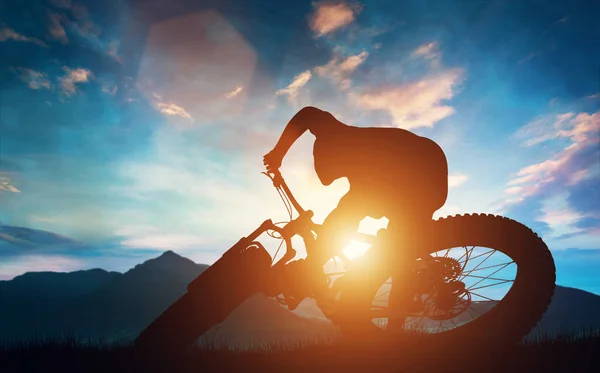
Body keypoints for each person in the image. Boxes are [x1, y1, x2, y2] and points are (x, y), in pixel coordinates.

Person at [263, 106, 449, 325]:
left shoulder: (354, 151)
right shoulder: (342, 143)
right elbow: (306, 115)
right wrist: (278, 154)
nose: (330, 180)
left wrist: (314, 261)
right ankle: (391, 323)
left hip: (423, 177)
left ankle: (394, 328)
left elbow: (352, 211)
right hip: (407, 171)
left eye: (332, 173)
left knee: (396, 252)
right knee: (371, 235)